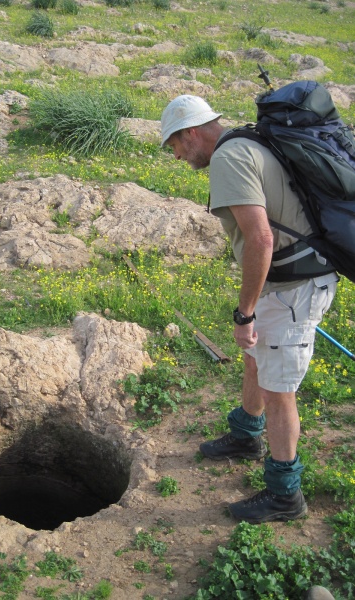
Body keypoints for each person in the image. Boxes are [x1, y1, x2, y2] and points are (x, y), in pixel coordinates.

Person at [160, 95, 339, 524]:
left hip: (294, 289)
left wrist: (245, 312)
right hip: (289, 283)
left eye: (176, 147)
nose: (179, 156)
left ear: (191, 133)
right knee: (255, 359)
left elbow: (260, 240)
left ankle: (284, 495)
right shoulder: (245, 142)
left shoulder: (227, 159)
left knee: (279, 392)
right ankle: (245, 435)